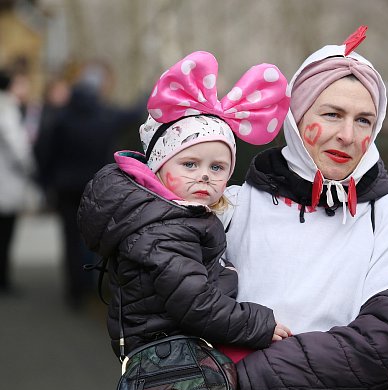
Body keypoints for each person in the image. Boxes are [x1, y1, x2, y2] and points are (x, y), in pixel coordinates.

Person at [164, 26, 388, 390]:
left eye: (364, 120)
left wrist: (237, 381)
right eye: (331, 114)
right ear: (297, 116)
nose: (347, 135)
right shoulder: (229, 205)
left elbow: (380, 344)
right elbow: (167, 303)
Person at [77, 51, 292, 359]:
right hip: (171, 356)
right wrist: (257, 323)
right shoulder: (164, 230)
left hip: (175, 346)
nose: (204, 175)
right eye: (190, 164)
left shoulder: (169, 213)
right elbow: (195, 303)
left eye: (217, 168)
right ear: (159, 169)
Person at [43, 61, 145, 310]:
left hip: (65, 187)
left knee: (69, 238)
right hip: (97, 188)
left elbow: (46, 151)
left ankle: (74, 290)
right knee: (95, 236)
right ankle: (91, 286)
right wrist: (149, 93)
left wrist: (45, 180)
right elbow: (134, 115)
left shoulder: (62, 117)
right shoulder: (106, 114)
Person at [0, 68, 36, 295]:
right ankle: (3, 280)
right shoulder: (7, 108)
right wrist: (32, 167)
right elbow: (18, 147)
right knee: (5, 235)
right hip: (6, 183)